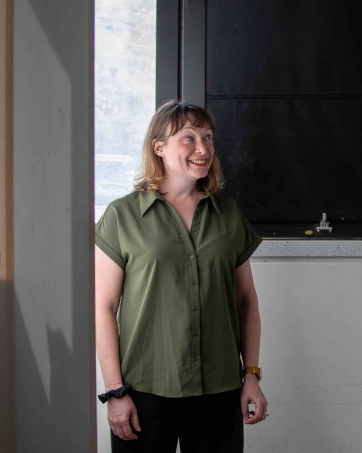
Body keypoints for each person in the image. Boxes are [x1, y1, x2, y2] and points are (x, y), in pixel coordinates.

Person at [95, 100, 268, 453]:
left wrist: (251, 375)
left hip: (219, 390)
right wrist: (115, 391)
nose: (202, 148)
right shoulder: (122, 215)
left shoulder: (229, 215)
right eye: (188, 138)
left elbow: (246, 300)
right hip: (143, 390)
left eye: (208, 137)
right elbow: (103, 306)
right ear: (159, 147)